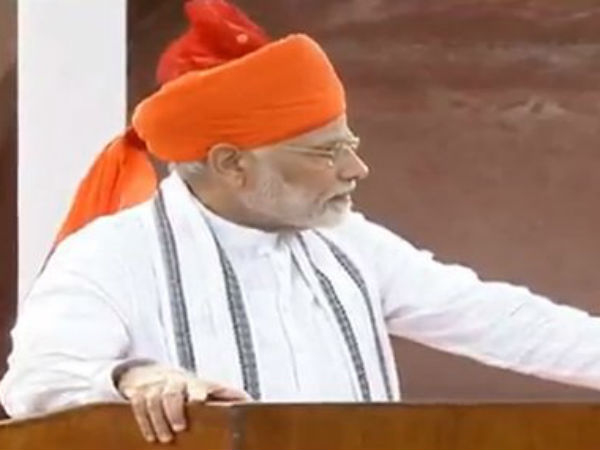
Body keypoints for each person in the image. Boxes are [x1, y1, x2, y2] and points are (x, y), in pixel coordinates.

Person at [3, 0, 600, 444]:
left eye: (349, 144)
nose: (356, 169)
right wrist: (135, 380)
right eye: (326, 152)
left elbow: (504, 321)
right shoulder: (111, 254)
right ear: (232, 164)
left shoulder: (347, 243)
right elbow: (37, 383)